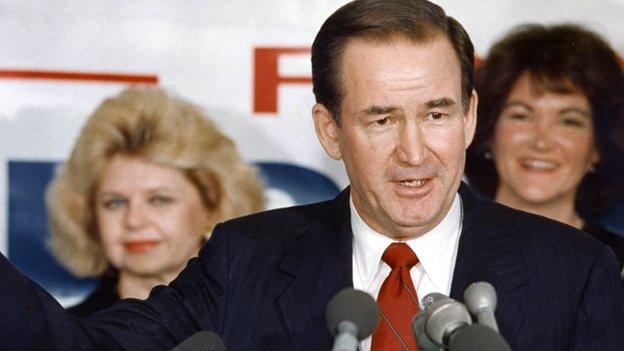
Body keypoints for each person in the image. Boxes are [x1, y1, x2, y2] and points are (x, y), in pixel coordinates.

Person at [0, 1, 623, 350]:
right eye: (381, 120)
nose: (415, 152)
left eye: (435, 114)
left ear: (469, 118)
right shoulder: (245, 257)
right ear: (329, 131)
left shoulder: (572, 272)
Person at [46, 87, 265, 316]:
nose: (134, 220)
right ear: (90, 216)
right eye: (115, 203)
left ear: (213, 207)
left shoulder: (262, 325)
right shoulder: (66, 337)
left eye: (159, 200)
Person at [465, 24, 624, 269]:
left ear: (598, 148)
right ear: (488, 133)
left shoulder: (616, 266)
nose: (541, 142)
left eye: (569, 121)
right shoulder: (438, 247)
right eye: (521, 116)